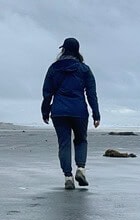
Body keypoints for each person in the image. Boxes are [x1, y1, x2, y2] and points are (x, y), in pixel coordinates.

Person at [41, 37, 101, 190]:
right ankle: (80, 169)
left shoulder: (54, 68)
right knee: (81, 140)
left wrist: (45, 110)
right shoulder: (84, 69)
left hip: (59, 111)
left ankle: (68, 177)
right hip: (79, 111)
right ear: (77, 51)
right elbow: (91, 93)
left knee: (64, 143)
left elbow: (47, 92)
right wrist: (96, 114)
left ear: (63, 50)